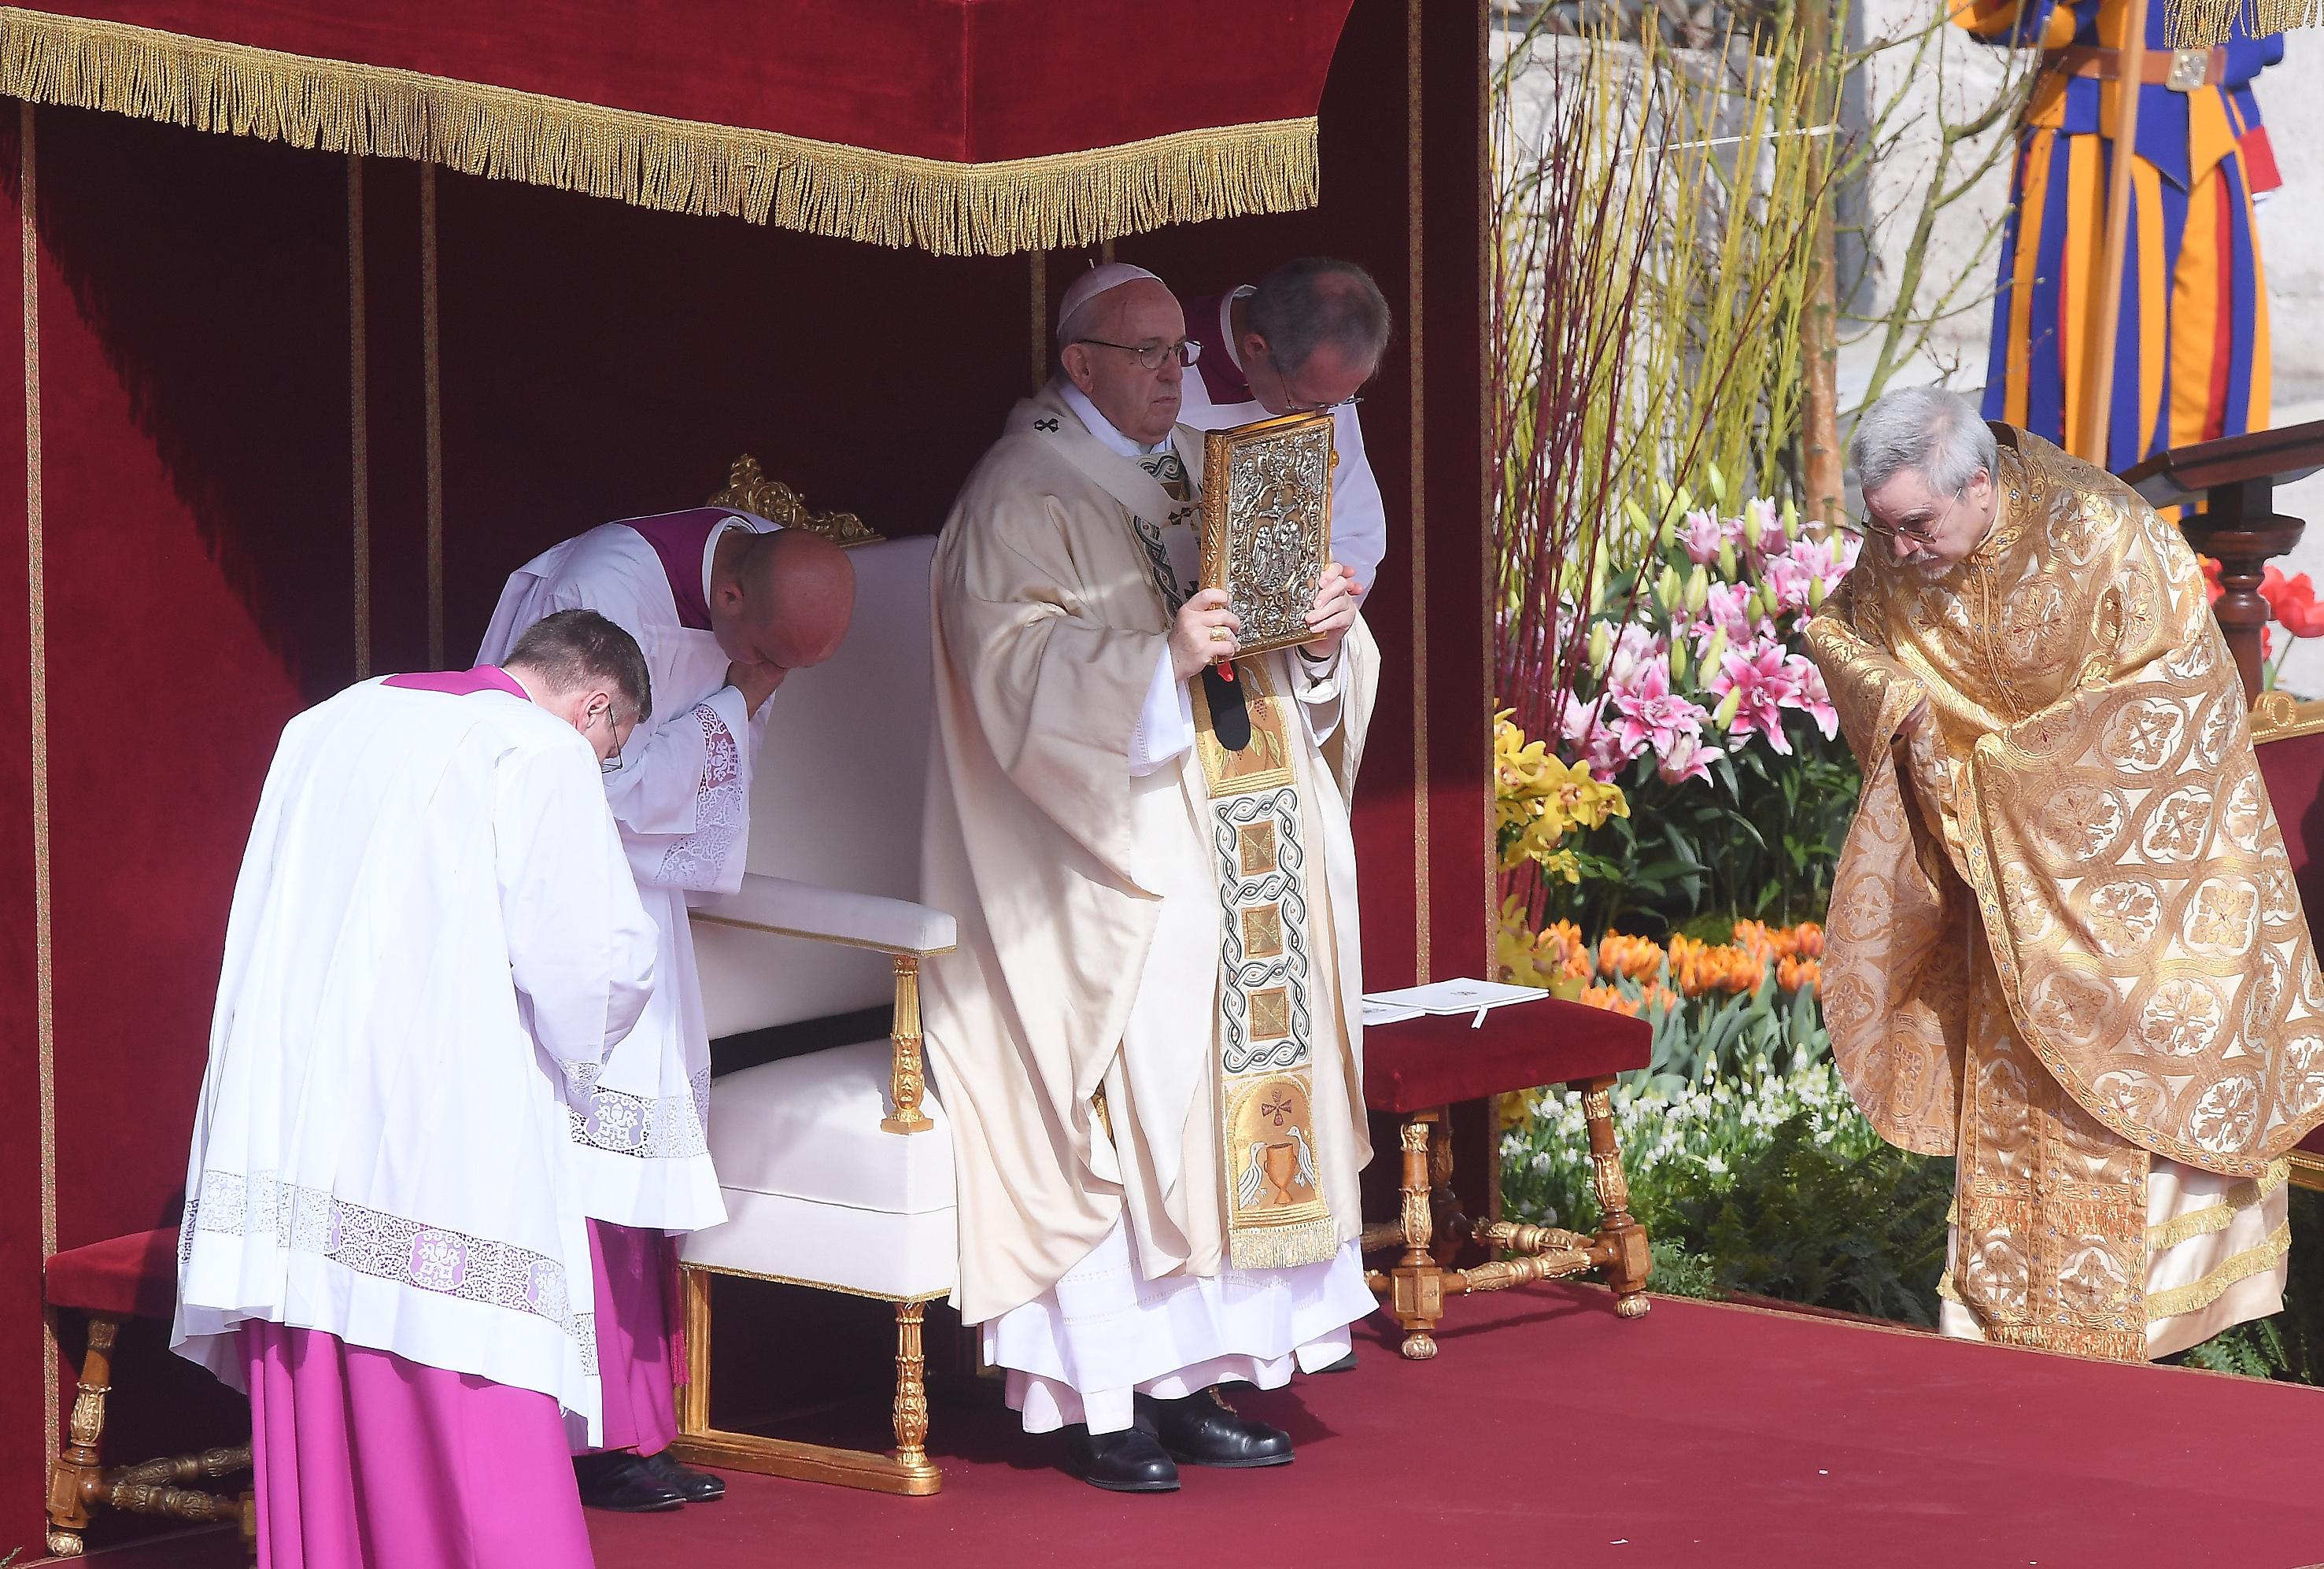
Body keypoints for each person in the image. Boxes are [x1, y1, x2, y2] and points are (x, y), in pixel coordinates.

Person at [922, 262, 1379, 1492]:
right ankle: (1106, 1395)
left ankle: (1198, 1375)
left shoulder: (1198, 465)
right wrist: (1154, 659)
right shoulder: (1019, 491)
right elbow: (1008, 668)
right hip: (1102, 852)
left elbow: (1280, 646)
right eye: (1150, 353)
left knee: (1227, 1095)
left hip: (1242, 835)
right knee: (1145, 1089)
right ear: (1080, 362)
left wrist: (1324, 634)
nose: (1179, 374)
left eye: (1183, 352)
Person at [1806, 386, 2323, 1361]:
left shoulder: (2101, 530)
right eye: (1884, 529)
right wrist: (1898, 702)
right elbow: (1838, 630)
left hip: (2135, 897)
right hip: (2004, 892)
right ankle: (2007, 1335)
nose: (1900, 552)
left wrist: (1999, 772)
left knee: (2130, 1103)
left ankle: (2147, 1340)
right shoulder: (1898, 548)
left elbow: (2173, 696)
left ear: (1979, 482)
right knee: (2019, 1114)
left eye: (1917, 526)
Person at [173, 609, 660, 1568]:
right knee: (473, 1394)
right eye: (613, 748)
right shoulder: (541, 751)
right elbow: (588, 966)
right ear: (595, 705)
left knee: (329, 1352)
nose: (600, 763)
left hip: (300, 1116)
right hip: (440, 1115)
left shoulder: (328, 721)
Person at [480, 508, 855, 1511]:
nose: (768, 676)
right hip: (568, 911)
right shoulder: (604, 592)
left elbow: (697, 784)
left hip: (645, 915)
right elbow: (581, 788)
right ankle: (575, 1435)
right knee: (581, 1171)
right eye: (767, 653)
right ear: (728, 595)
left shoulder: (760, 580)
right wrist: (734, 702)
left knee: (637, 1177)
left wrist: (741, 698)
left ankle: (636, 1426)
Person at [1962, 0, 2282, 469]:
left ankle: (2189, 516)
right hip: (2094, 145)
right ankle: (2083, 511)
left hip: (2212, 136)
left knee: (2208, 369)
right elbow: (2012, 20)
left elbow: (2253, 35)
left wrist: (2249, 136)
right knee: (2091, 369)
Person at [1176, 257, 1392, 593]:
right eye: (1306, 403)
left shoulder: (1320, 379)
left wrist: (1328, 593)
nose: (1321, 418)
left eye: (1337, 403)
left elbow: (1356, 532)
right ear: (1255, 348)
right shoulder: (1164, 369)